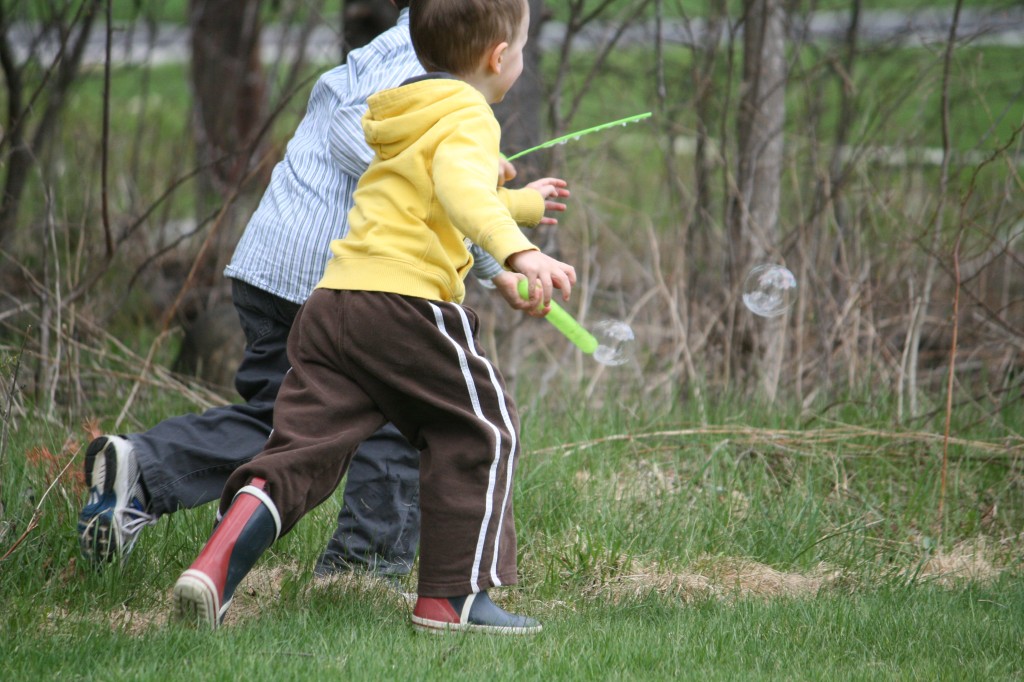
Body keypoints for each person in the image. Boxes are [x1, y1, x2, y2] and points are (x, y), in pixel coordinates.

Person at [75, 0, 547, 580]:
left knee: (293, 422)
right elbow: (381, 148)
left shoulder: (411, 47)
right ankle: (362, 568)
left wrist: (488, 251)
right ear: (494, 50)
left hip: (283, 264)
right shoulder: (418, 62)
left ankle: (146, 469)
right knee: (404, 412)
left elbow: (429, 186)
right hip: (333, 274)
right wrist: (459, 165)